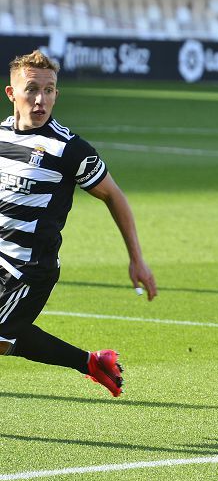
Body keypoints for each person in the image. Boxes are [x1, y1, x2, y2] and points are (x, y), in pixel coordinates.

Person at [1, 50, 157, 395]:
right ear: (11, 93)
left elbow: (114, 196)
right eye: (31, 89)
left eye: (50, 90)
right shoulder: (1, 137)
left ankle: (87, 363)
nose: (41, 99)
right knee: (8, 334)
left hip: (29, 268)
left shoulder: (70, 150)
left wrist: (137, 259)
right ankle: (91, 363)